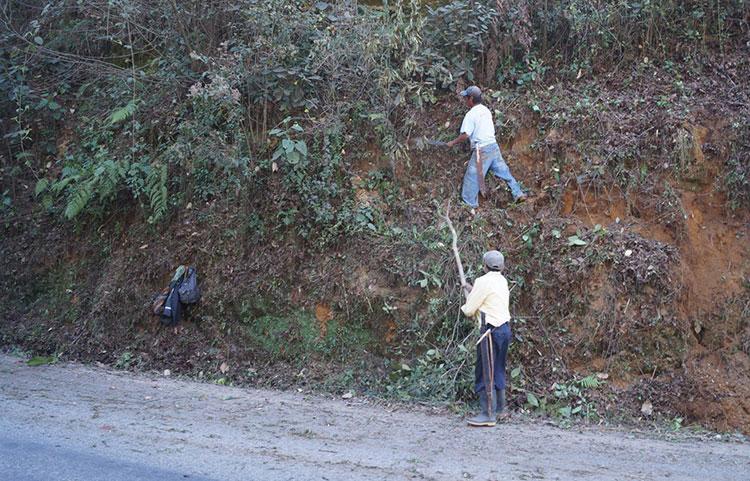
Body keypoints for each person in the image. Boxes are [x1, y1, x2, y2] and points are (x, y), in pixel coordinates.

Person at [446, 86, 526, 208]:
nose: (465, 101)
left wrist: (452, 142)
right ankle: (518, 193)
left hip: (482, 150)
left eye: (466, 98)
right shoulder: (486, 110)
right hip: (493, 146)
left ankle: (469, 206)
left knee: (471, 178)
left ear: (471, 99)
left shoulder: (471, 114)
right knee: (504, 171)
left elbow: (465, 135)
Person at [460, 250, 513, 427]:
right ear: (502, 266)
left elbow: (469, 310)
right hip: (504, 330)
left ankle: (487, 414)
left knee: (485, 372)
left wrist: (468, 300)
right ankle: (500, 410)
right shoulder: (502, 281)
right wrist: (471, 290)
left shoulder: (482, 281)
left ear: (484, 266)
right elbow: (489, 297)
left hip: (489, 333)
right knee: (497, 368)